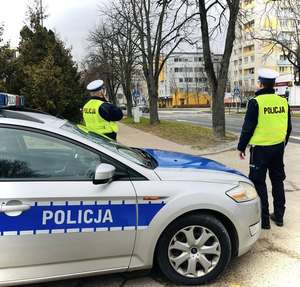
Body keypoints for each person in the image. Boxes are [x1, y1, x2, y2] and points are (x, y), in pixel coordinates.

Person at [237, 68, 292, 229]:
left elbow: (248, 128)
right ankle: (279, 216)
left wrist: (241, 147)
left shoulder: (255, 102)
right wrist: (283, 144)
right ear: (273, 84)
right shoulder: (283, 102)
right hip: (277, 148)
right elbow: (287, 128)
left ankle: (265, 220)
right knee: (277, 181)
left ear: (261, 84)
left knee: (258, 182)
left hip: (260, 150)